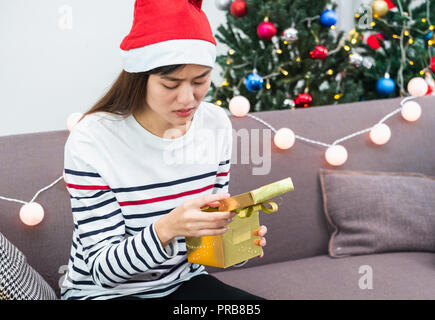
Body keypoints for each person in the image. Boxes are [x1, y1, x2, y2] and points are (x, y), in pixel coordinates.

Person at [60, 0, 267, 300]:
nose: (188, 98)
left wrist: (236, 240)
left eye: (200, 81)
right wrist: (167, 228)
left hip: (184, 285)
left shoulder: (216, 124)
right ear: (139, 78)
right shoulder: (91, 141)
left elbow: (202, 247)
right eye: (171, 84)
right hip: (103, 294)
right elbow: (103, 272)